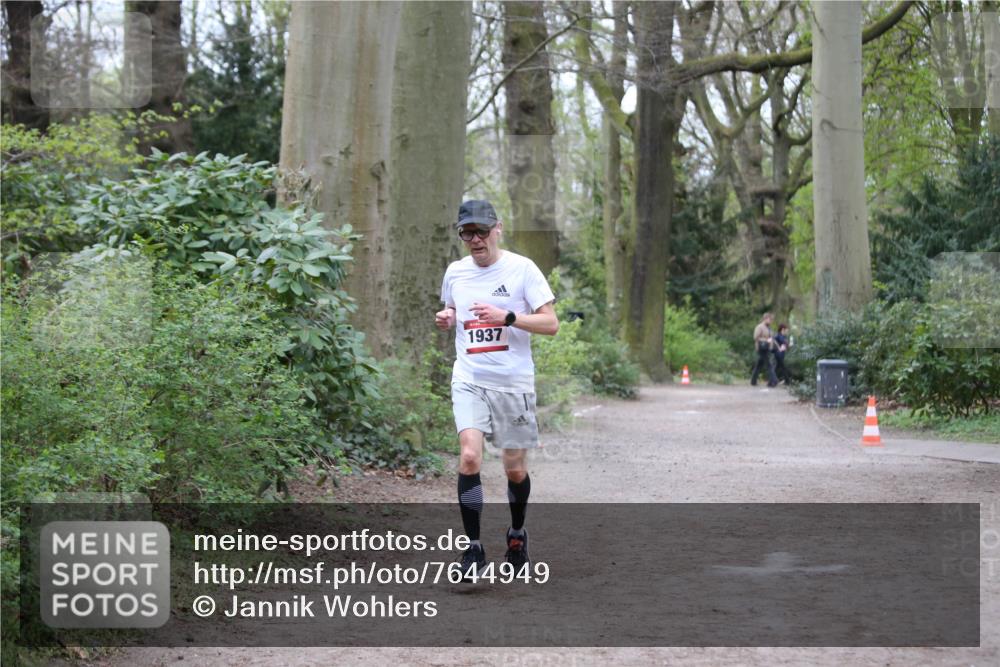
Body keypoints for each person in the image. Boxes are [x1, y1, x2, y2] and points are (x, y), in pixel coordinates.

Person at [435, 200, 559, 580]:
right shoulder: (456, 272)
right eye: (466, 233)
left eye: (481, 232)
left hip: (513, 383)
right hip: (469, 378)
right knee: (470, 457)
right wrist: (449, 317)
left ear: (498, 229)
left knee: (514, 469)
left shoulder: (522, 269)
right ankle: (473, 549)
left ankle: (517, 533)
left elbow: (551, 324)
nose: (474, 240)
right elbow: (454, 309)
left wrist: (507, 317)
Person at [750, 312, 778, 387]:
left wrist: (774, 346)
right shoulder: (759, 327)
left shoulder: (769, 328)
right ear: (765, 319)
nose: (771, 321)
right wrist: (766, 340)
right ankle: (774, 381)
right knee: (769, 365)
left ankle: (753, 381)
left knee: (759, 365)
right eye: (770, 319)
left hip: (767, 348)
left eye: (772, 320)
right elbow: (755, 337)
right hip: (761, 348)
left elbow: (771, 338)